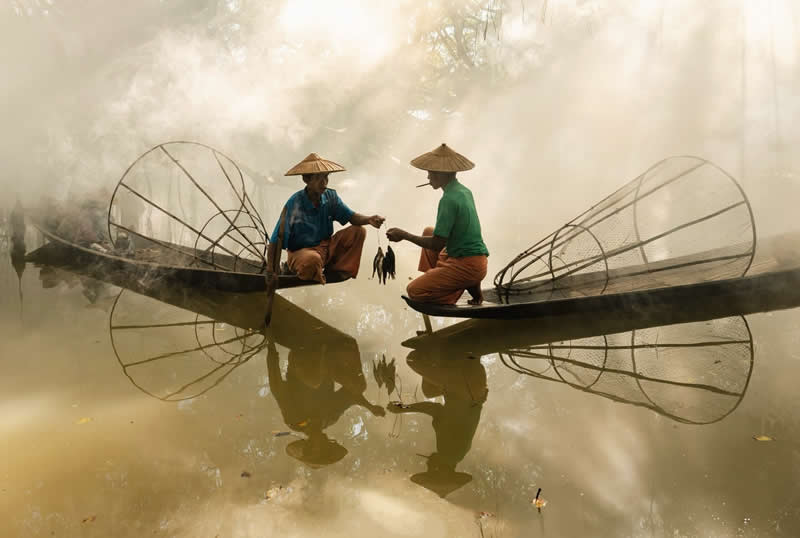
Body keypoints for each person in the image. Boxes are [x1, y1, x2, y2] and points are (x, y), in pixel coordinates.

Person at [386, 143, 489, 304]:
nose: (428, 178)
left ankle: (447, 290)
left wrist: (404, 235)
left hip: (467, 266)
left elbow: (436, 244)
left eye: (431, 173)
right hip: (478, 261)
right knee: (429, 231)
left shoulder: (448, 199)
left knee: (414, 291)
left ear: (443, 174)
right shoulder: (464, 191)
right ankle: (443, 279)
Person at [270, 152, 385, 284]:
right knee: (312, 260)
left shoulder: (330, 197)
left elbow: (351, 217)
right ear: (307, 180)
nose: (324, 182)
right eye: (319, 178)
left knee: (359, 231)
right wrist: (270, 270)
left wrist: (369, 219)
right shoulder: (295, 203)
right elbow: (275, 240)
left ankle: (338, 269)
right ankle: (295, 269)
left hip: (326, 248)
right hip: (302, 254)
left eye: (326, 177)